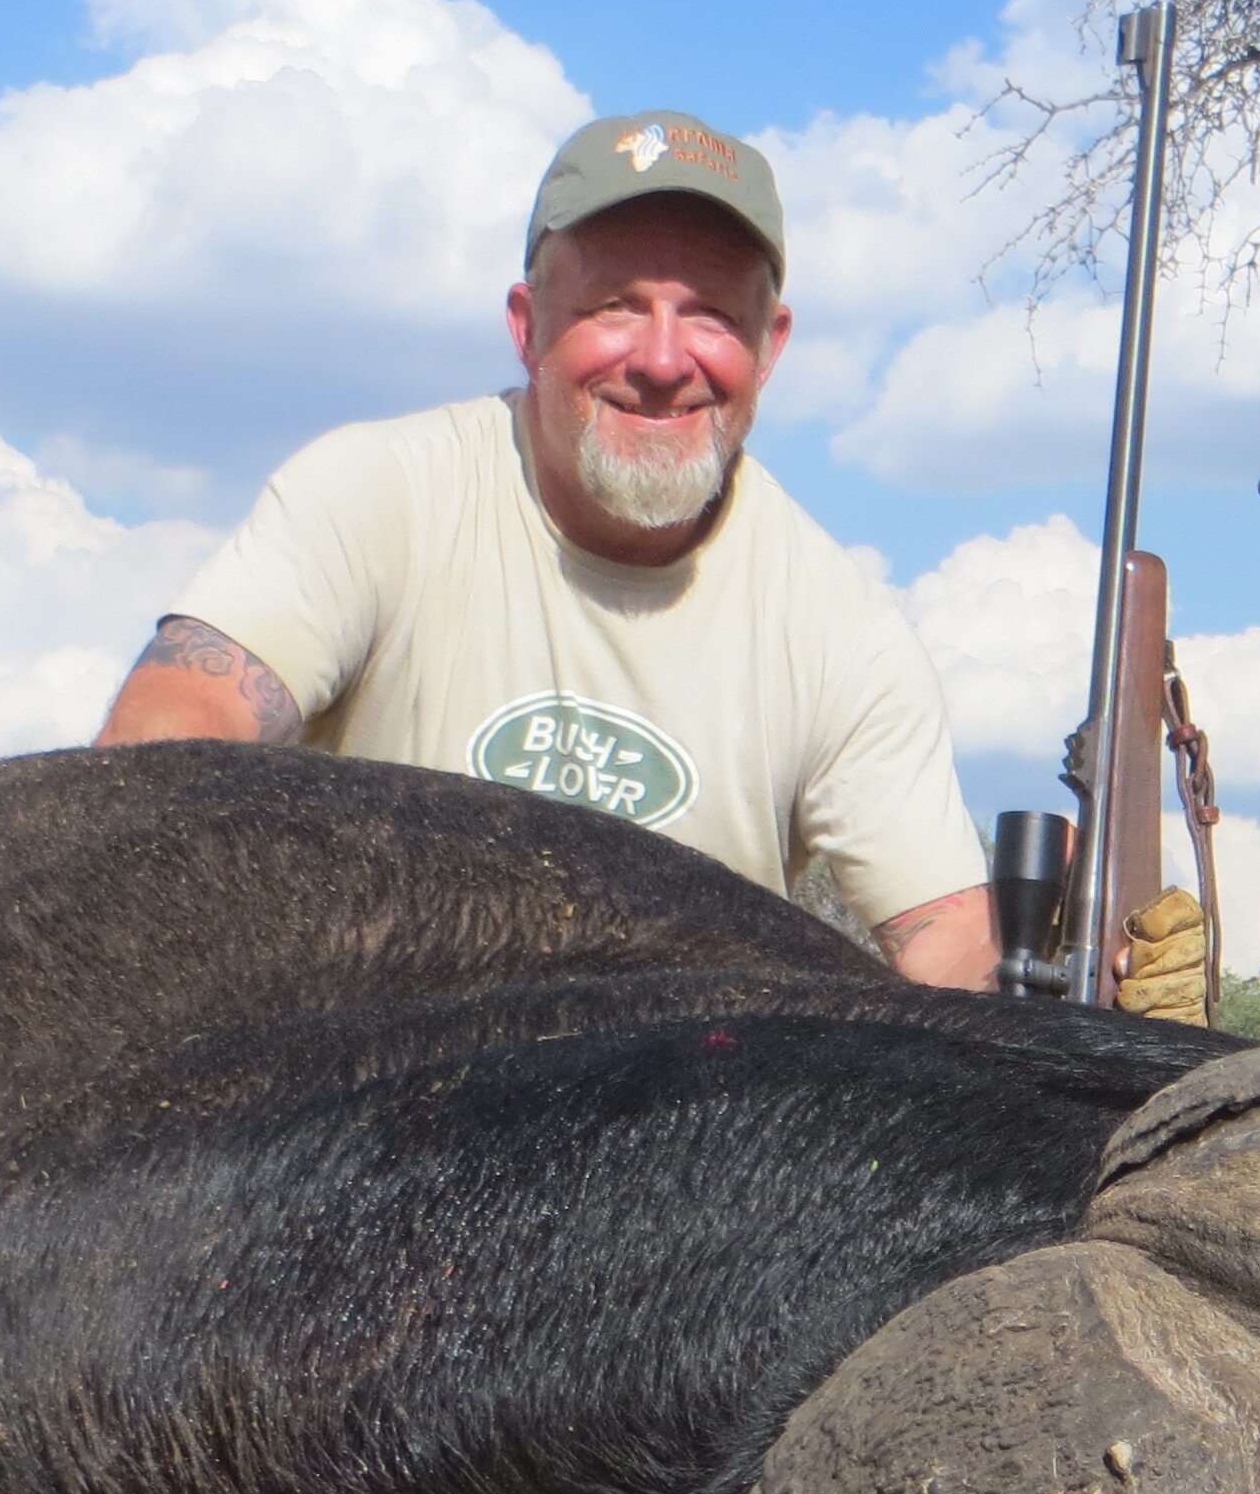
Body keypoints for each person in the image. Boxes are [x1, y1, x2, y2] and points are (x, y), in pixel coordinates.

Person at [99, 109, 1002, 990]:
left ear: (770, 346)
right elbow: (157, 745)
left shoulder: (845, 628)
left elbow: (955, 949)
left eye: (712, 317)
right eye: (615, 307)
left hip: (681, 1115)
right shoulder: (375, 493)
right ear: (528, 325)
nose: (661, 359)